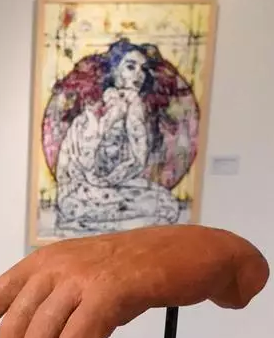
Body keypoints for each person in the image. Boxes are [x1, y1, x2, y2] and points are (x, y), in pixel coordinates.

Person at [54, 42, 183, 233]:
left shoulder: (134, 106)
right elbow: (86, 162)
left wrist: (132, 115)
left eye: (142, 69)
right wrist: (112, 118)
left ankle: (123, 223)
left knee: (166, 204)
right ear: (114, 70)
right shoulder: (96, 106)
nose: (138, 74)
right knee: (155, 215)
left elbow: (136, 161)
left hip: (114, 186)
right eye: (130, 66)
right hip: (82, 189)